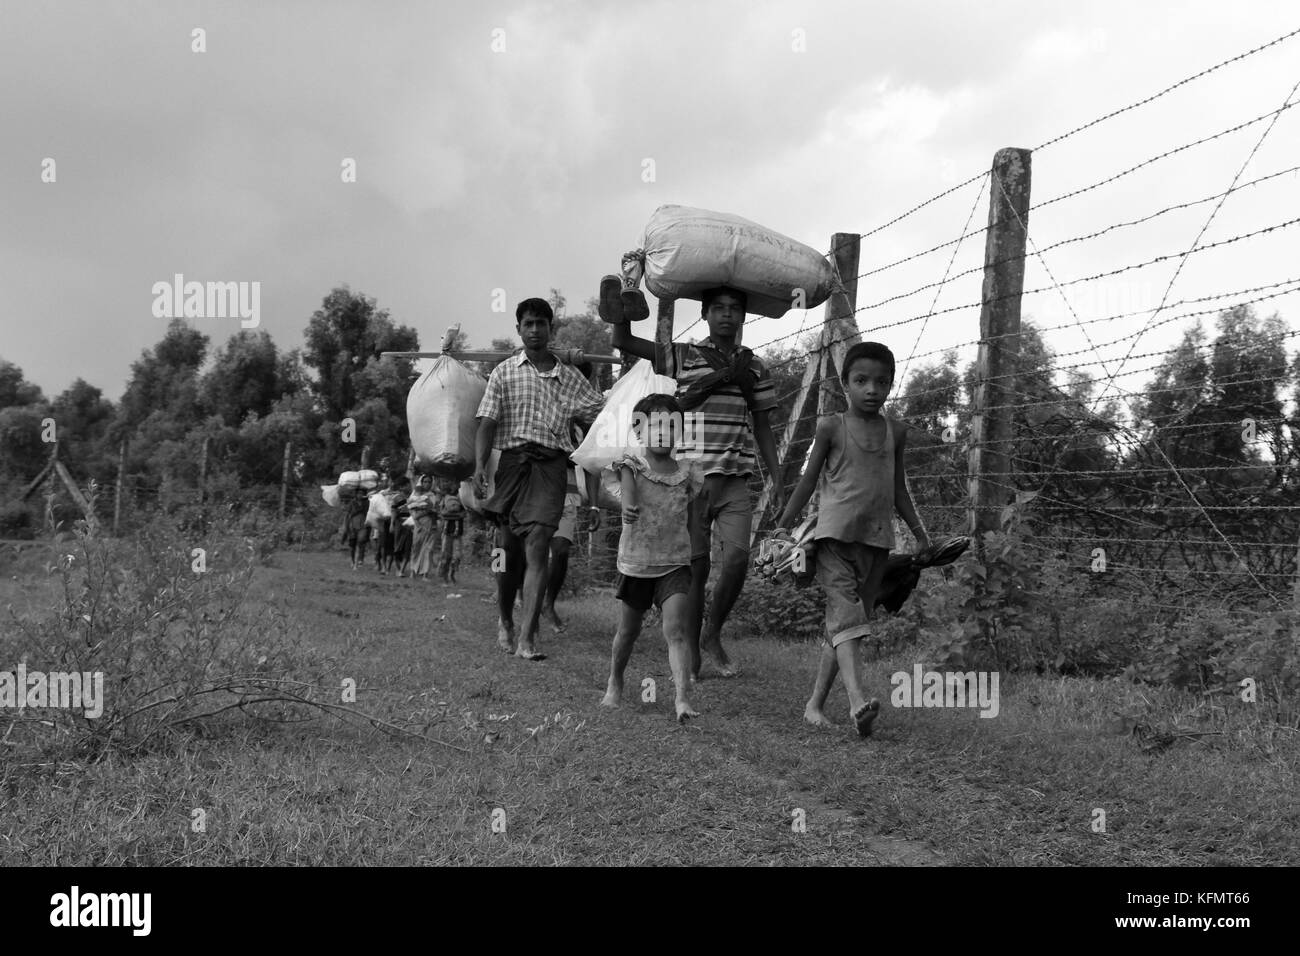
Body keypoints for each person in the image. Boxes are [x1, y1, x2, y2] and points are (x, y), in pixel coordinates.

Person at [609, 284, 784, 679]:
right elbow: (621, 340)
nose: (726, 315)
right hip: (689, 481)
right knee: (695, 568)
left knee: (738, 559)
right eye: (718, 308)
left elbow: (763, 426)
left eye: (734, 309)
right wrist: (625, 294)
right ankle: (689, 655)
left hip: (735, 477)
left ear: (743, 316)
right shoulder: (683, 356)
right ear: (705, 314)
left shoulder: (754, 368)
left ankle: (712, 633)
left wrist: (778, 477)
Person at [772, 341, 929, 737]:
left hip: (876, 542)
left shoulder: (896, 432)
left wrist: (919, 532)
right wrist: (784, 524)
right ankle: (858, 702)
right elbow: (808, 479)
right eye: (861, 381)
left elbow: (898, 489)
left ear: (891, 385)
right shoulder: (830, 426)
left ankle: (814, 706)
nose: (872, 389)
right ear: (845, 384)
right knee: (846, 617)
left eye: (882, 382)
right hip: (833, 538)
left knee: (846, 625)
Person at [473, 297, 606, 661]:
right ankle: (505, 617)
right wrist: (478, 468)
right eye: (528, 324)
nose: (534, 330)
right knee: (507, 550)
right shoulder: (504, 372)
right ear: (518, 329)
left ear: (551, 329)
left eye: (541, 324)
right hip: (513, 465)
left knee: (539, 546)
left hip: (550, 467)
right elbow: (486, 422)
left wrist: (595, 369)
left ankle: (528, 638)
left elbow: (600, 413)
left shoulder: (571, 379)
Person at [600, 393, 703, 722]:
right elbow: (627, 498)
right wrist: (627, 509)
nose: (663, 431)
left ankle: (682, 699)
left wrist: (696, 552)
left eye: (671, 425)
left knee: (675, 631)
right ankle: (615, 681)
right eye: (655, 424)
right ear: (639, 430)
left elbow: (694, 518)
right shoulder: (632, 465)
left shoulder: (688, 472)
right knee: (628, 631)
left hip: (675, 563)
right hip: (638, 563)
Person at [407, 474, 439, 580]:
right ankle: (413, 570)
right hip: (418, 524)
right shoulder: (415, 495)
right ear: (421, 482)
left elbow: (434, 510)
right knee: (416, 547)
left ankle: (425, 573)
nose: (427, 484)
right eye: (425, 481)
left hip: (430, 523)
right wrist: (416, 520)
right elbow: (411, 509)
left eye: (429, 482)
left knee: (428, 549)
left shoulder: (433, 496)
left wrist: (429, 511)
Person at [437, 479, 465, 583]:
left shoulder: (462, 498)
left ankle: (452, 574)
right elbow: (443, 514)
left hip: (458, 532)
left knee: (457, 556)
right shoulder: (444, 499)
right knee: (446, 555)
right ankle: (445, 577)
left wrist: (451, 515)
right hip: (447, 531)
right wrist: (457, 515)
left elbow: (464, 513)